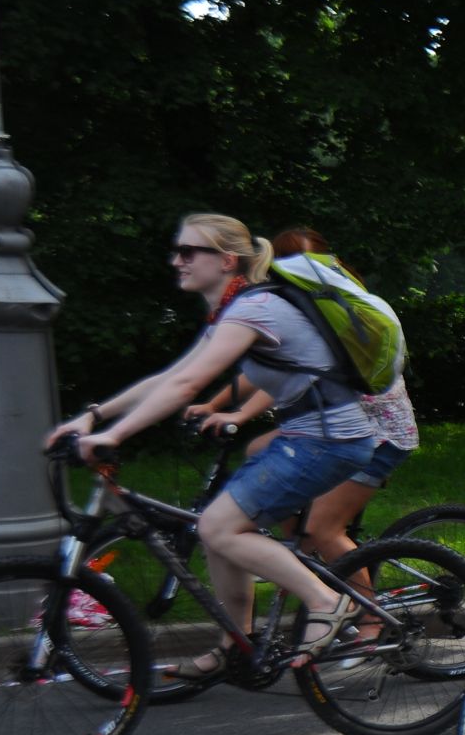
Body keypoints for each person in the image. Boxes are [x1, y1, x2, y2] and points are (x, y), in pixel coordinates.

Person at [45, 214, 378, 678]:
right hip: (308, 435)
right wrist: (94, 416)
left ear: (226, 260)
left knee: (219, 527)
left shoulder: (253, 307)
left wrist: (113, 436)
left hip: (329, 439)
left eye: (188, 251)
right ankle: (236, 645)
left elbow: (186, 385)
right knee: (216, 530)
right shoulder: (232, 308)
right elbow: (168, 378)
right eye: (175, 250)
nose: (176, 260)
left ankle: (327, 602)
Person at [187, 227, 420, 571]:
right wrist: (214, 404)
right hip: (342, 427)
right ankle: (311, 562)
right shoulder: (323, 296)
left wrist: (236, 415)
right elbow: (265, 371)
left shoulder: (322, 307)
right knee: (257, 450)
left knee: (323, 529)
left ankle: (367, 616)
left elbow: (293, 378)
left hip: (377, 435)